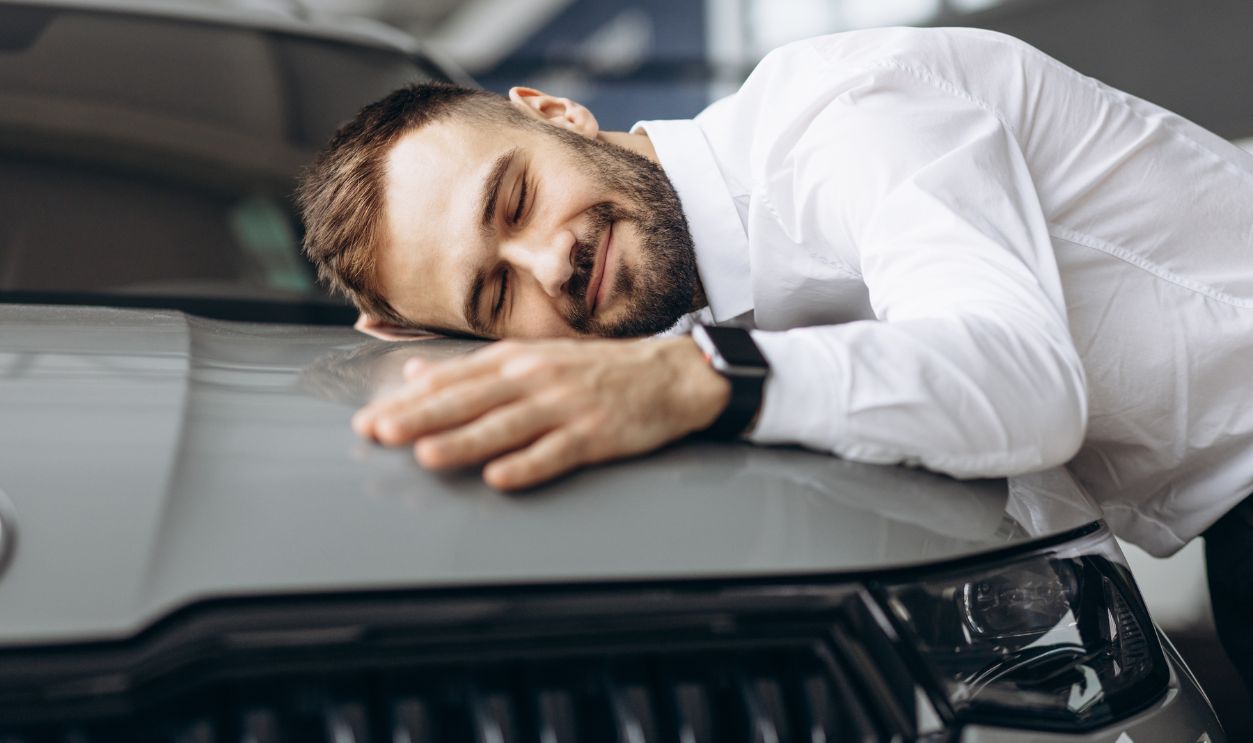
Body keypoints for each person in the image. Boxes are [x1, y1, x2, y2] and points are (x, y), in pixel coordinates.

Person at [296, 27, 1253, 688]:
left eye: (514, 201)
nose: (551, 262)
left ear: (556, 112)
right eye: (494, 296)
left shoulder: (843, 116)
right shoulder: (687, 302)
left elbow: (1025, 387)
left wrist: (698, 380)